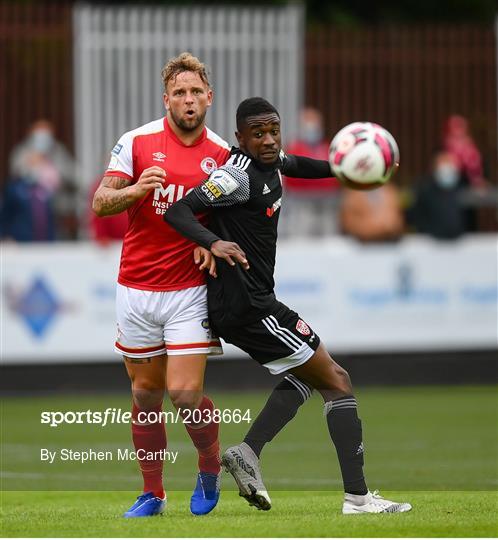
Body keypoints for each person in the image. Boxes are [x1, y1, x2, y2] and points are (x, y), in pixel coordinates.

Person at [165, 97, 412, 514]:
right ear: (240, 137)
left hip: (251, 302)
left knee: (308, 376)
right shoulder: (235, 176)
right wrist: (213, 241)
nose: (268, 140)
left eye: (273, 130)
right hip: (248, 306)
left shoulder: (271, 160)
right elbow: (179, 210)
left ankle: (248, 451)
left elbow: (296, 164)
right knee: (336, 379)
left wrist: (349, 170)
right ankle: (357, 498)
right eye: (258, 133)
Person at [92, 52, 232, 517]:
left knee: (185, 394)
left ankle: (209, 467)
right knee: (145, 394)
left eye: (195, 92)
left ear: (209, 97)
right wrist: (135, 191)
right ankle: (152, 492)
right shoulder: (136, 142)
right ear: (166, 99)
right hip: (135, 286)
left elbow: (236, 224)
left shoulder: (223, 156)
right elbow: (100, 201)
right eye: (179, 93)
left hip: (188, 290)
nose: (188, 100)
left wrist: (211, 243)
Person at [9, 119, 78, 240]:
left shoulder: (58, 151)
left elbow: (73, 175)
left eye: (47, 134)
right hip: (27, 212)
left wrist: (55, 173)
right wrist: (32, 167)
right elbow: (16, 173)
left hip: (57, 211)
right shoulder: (22, 152)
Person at [280, 107, 341, 237]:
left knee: (329, 237)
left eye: (314, 122)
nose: (311, 126)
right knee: (301, 236)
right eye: (307, 121)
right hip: (300, 201)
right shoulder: (293, 147)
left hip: (328, 201)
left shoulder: (328, 147)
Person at [409, 149, 467, 240]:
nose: (447, 167)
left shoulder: (462, 188)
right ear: (434, 166)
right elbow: (415, 216)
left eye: (450, 162)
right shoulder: (424, 190)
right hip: (429, 243)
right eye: (444, 162)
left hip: (459, 244)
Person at [339, 183, 404, 242]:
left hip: (388, 246)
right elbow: (348, 224)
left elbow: (397, 223)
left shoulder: (390, 191)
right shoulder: (352, 194)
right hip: (361, 248)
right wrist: (378, 229)